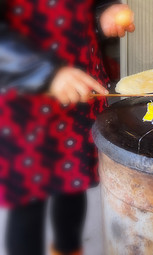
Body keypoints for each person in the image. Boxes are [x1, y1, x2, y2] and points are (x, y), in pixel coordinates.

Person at [0, 0, 135, 254]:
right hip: (24, 100)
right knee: (27, 201)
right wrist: (46, 74)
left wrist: (105, 12)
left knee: (73, 182)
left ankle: (68, 248)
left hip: (79, 90)